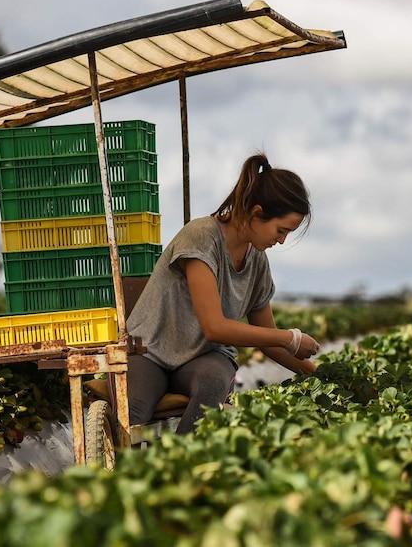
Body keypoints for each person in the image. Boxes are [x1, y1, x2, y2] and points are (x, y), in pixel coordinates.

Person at [125, 152, 320, 434]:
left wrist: (323, 377)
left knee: (213, 383)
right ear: (256, 213)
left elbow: (269, 341)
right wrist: (290, 338)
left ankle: (179, 466)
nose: (282, 240)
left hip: (202, 358)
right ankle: (124, 474)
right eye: (281, 229)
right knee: (133, 410)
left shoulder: (257, 262)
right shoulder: (202, 237)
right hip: (149, 351)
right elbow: (214, 327)